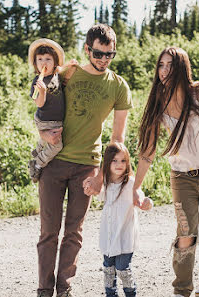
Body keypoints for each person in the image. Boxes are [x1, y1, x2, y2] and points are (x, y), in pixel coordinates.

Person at [36, 24, 133, 297]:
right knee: (48, 232)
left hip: (87, 166)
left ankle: (64, 288)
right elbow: (43, 107)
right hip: (54, 162)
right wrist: (42, 132)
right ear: (87, 49)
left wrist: (101, 176)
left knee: (74, 233)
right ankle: (44, 290)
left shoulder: (118, 87)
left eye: (109, 55)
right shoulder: (68, 74)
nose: (104, 60)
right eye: (99, 53)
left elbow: (117, 139)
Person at [132, 47, 199, 297]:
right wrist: (135, 186)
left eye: (170, 65)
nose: (164, 71)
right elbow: (148, 150)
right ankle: (181, 290)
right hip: (182, 178)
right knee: (186, 234)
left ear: (182, 68)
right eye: (161, 65)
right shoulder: (159, 100)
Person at [98, 142, 153, 297]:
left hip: (124, 236)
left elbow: (141, 199)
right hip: (109, 235)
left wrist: (147, 203)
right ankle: (111, 294)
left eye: (123, 161)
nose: (119, 164)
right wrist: (89, 185)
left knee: (122, 269)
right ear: (107, 163)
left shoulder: (130, 183)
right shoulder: (105, 183)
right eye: (114, 160)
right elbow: (97, 193)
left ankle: (130, 293)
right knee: (108, 269)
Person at [27, 38, 76, 183]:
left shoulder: (56, 75)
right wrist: (41, 91)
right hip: (46, 119)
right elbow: (39, 103)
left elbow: (64, 70)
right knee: (57, 145)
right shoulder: (38, 82)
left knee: (50, 139)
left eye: (48, 59)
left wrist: (71, 65)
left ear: (55, 62)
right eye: (40, 59)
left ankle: (38, 149)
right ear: (35, 64)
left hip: (54, 120)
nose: (44, 62)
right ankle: (37, 164)